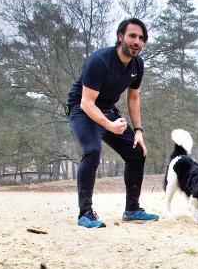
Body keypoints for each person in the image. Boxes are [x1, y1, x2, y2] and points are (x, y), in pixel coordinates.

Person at [66, 18, 159, 228]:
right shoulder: (99, 60)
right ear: (120, 37)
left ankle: (132, 210)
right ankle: (85, 213)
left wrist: (138, 131)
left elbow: (133, 98)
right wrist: (109, 126)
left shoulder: (137, 64)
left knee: (137, 152)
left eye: (141, 38)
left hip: (108, 109)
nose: (137, 41)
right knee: (91, 151)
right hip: (82, 109)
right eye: (132, 36)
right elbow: (87, 103)